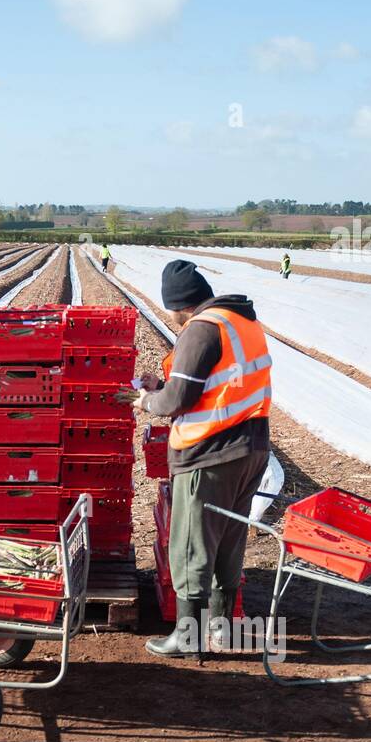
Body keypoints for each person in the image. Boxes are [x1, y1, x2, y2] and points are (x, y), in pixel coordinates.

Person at [118, 260, 271, 659]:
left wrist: (147, 399)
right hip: (251, 448)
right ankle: (221, 630)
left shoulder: (201, 329)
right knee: (228, 541)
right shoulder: (242, 322)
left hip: (210, 453)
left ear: (178, 305)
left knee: (191, 546)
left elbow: (178, 401)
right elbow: (218, 384)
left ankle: (188, 637)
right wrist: (165, 383)